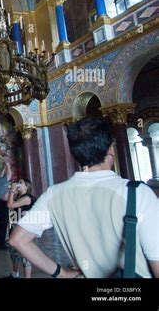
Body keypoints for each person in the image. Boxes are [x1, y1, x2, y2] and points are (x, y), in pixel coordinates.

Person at [10, 116, 159, 278]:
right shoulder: (138, 193)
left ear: (75, 153)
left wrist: (63, 273)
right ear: (110, 149)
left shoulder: (53, 195)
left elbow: (18, 240)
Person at [5, 179, 36, 278]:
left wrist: (13, 190)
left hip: (24, 229)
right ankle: (14, 274)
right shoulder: (18, 195)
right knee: (14, 253)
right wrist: (10, 190)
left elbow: (10, 205)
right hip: (15, 226)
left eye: (20, 183)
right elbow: (4, 198)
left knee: (25, 254)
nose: (18, 184)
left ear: (26, 187)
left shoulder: (27, 198)